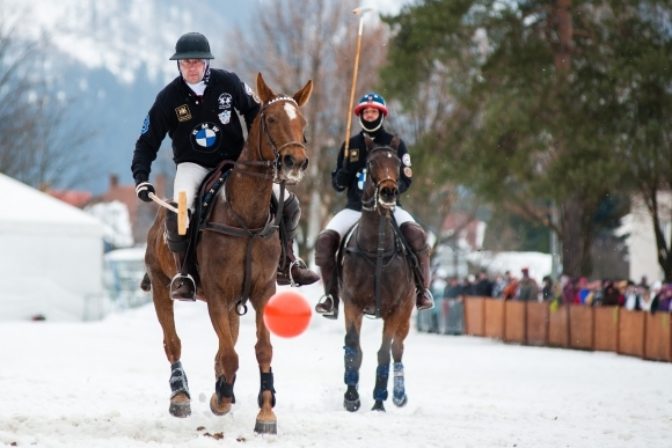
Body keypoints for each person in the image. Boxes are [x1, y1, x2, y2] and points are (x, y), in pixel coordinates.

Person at [131, 32, 318, 300]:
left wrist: (270, 154)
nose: (191, 67)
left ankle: (289, 262)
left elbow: (258, 116)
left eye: (196, 61)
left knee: (288, 203)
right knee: (180, 209)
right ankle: (185, 273)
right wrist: (141, 178)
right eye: (185, 63)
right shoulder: (169, 98)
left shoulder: (228, 83)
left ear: (206, 62)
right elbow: (146, 142)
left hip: (235, 164)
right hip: (192, 165)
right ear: (178, 65)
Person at [313, 92, 434, 319]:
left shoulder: (395, 143)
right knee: (324, 241)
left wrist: (391, 191)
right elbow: (337, 184)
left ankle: (422, 291)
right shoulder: (350, 145)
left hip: (389, 208)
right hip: (355, 209)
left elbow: (407, 177)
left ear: (381, 114)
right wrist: (344, 174)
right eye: (366, 111)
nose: (370, 115)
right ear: (360, 115)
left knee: (417, 236)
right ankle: (330, 296)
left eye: (373, 111)